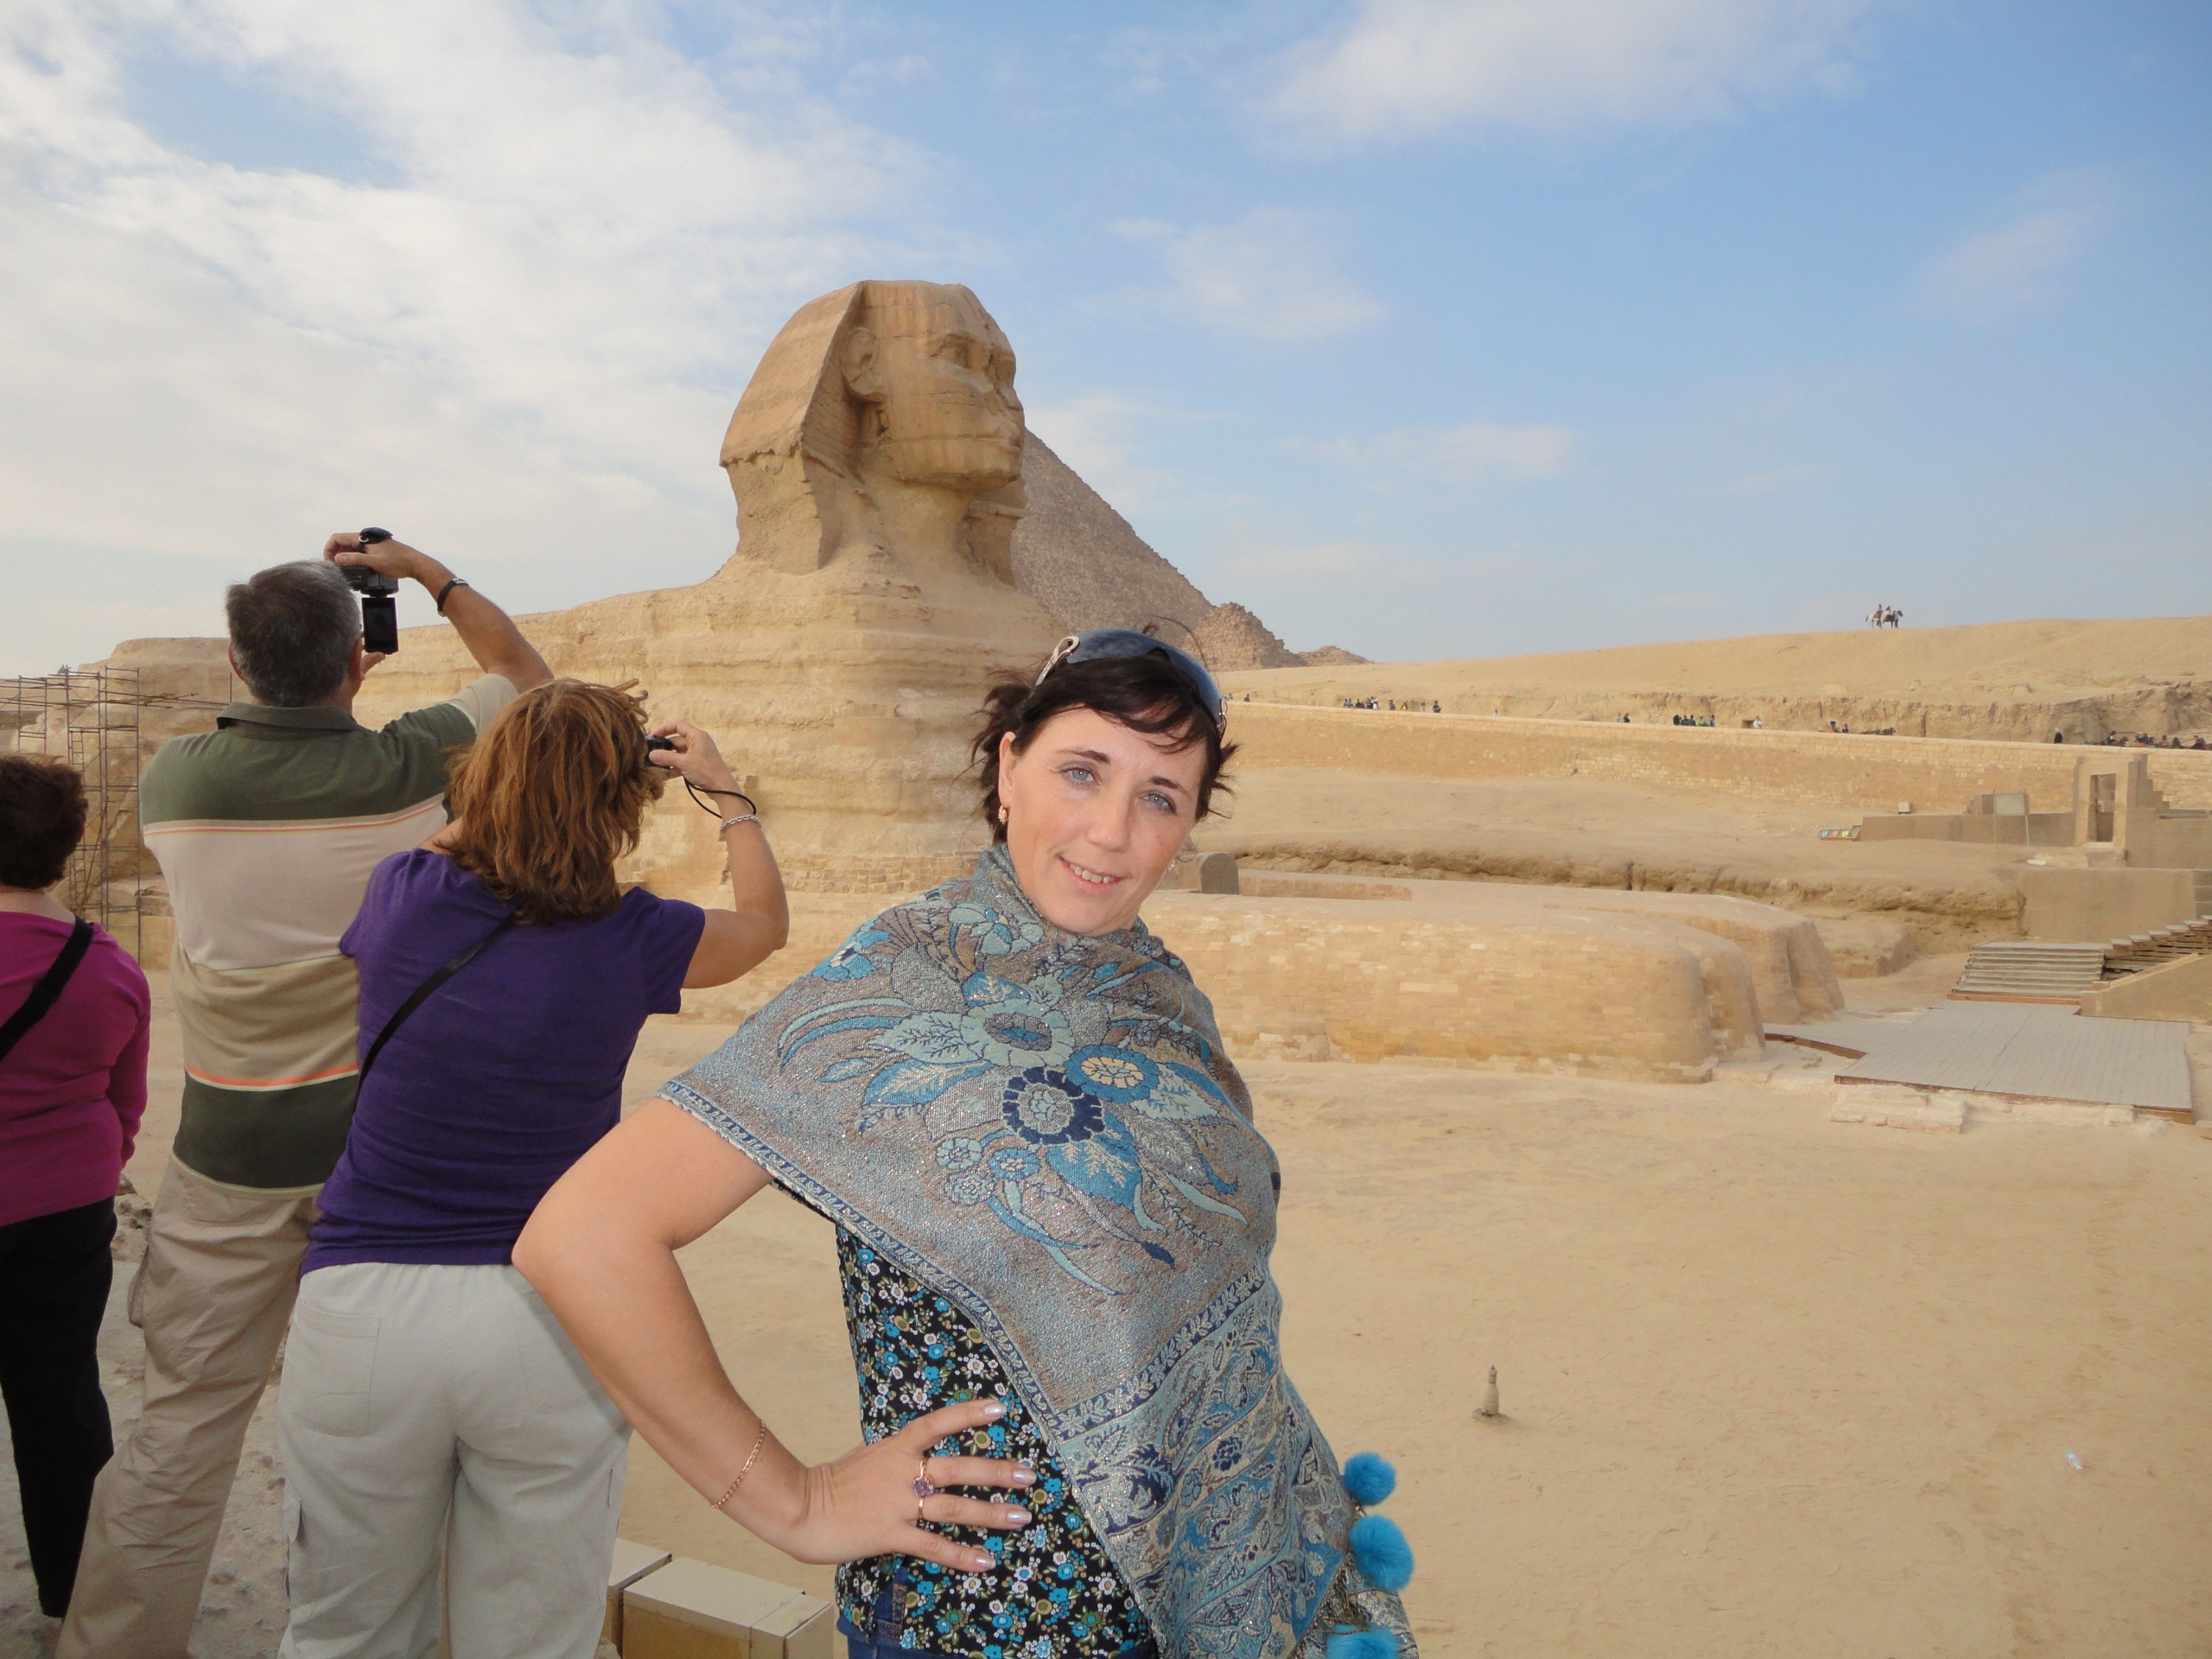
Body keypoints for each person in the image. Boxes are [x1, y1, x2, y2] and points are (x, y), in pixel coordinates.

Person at [517, 630, 1416, 1659]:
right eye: (1081, 773)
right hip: (987, 1619)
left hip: (1184, 1604)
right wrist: (793, 1501)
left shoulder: (1158, 997)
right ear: (1008, 768)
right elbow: (583, 1234)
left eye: (1161, 797)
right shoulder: (898, 983)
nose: (1112, 831)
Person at [62, 533, 550, 1659]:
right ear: (355, 659)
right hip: (383, 1170)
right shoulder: (408, 771)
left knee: (182, 1433)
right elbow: (528, 678)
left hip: (228, 1166)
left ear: (238, 664)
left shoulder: (178, 780)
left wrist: (321, 674)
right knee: (410, 1443)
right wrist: (425, 572)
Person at [275, 681, 787, 1659]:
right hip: (550, 1316)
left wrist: (530, 755)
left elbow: (466, 833)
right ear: (625, 802)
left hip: (366, 1309)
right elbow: (762, 925)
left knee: (345, 1630)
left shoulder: (402, 895)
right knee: (532, 1638)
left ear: (485, 780)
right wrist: (725, 791)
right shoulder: (639, 938)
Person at [0, 756, 151, 1625]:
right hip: (66, 1207)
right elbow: (125, 1104)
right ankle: (75, 1602)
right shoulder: (109, 967)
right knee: (60, 1401)